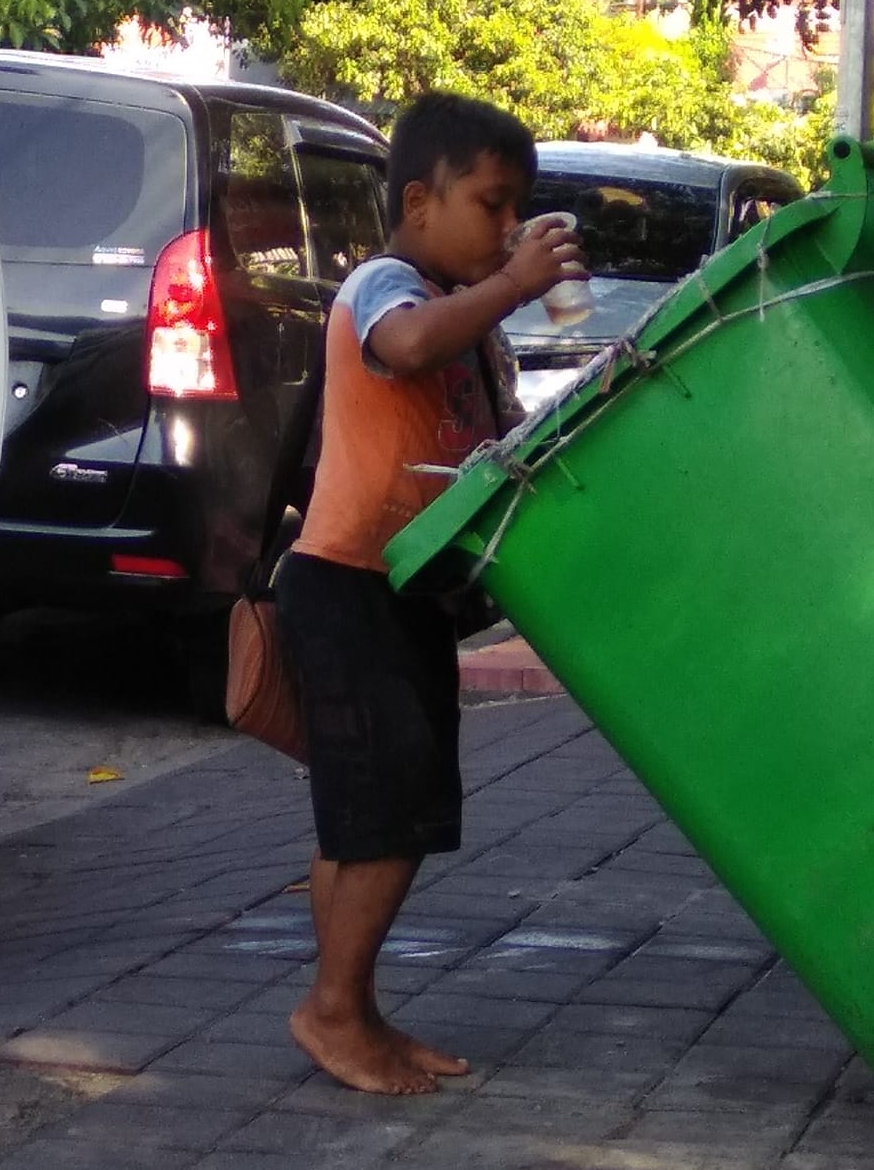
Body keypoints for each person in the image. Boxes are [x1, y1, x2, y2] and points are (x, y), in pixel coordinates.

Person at [274, 91, 584, 1096]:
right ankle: (332, 1011)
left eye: (518, 210)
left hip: (400, 597)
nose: (508, 230)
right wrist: (512, 285)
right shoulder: (381, 285)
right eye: (492, 207)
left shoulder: (467, 318)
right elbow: (404, 347)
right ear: (419, 200)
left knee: (368, 814)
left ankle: (353, 1008)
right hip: (345, 587)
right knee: (392, 813)